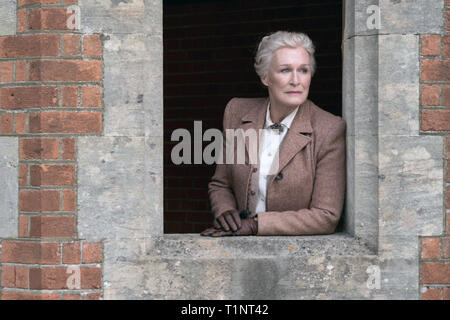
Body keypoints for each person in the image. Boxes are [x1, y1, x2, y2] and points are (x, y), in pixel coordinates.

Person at [200, 31, 346, 237]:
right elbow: (220, 184)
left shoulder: (330, 128)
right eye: (285, 70)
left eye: (303, 70)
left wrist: (254, 225)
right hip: (238, 250)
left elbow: (326, 215)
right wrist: (225, 211)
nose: (296, 80)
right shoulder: (237, 112)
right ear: (265, 77)